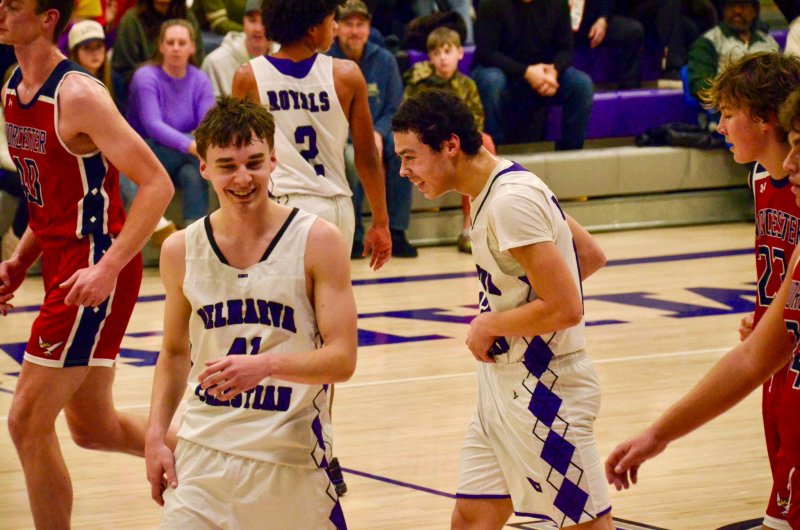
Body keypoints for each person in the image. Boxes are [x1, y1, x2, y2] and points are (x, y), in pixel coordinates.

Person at [392, 89, 610, 529]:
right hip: (504, 385)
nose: (403, 171)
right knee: (472, 519)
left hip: (545, 391)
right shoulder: (502, 184)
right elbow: (586, 254)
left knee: (586, 526)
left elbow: (566, 308)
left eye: (410, 156)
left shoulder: (510, 201)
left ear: (450, 145)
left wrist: (493, 322)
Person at [607, 52, 800, 530]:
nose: (718, 128)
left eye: (728, 114)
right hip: (779, 363)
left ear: (766, 118)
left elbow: (754, 357)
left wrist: (659, 433)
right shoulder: (762, 179)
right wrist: (773, 314)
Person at [0, 0, 175, 527]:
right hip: (62, 265)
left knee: (26, 422)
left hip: (93, 268)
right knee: (92, 427)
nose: (1, 12)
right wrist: (17, 260)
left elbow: (157, 184)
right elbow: (48, 199)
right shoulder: (13, 88)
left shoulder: (77, 94)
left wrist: (108, 269)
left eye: (14, 5)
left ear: (49, 17)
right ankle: (215, 462)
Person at [145, 95, 354, 530]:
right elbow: (172, 354)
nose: (243, 178)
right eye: (227, 166)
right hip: (202, 456)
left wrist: (266, 366)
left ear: (274, 159)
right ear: (203, 167)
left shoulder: (319, 240)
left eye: (254, 162)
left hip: (290, 455)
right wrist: (154, 436)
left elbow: (343, 359)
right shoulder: (180, 249)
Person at [232, 0, 391, 269]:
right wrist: (380, 222)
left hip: (282, 207)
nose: (336, 26)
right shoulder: (347, 75)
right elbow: (368, 156)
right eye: (333, 19)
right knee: (333, 304)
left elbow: (238, 154)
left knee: (288, 308)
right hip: (337, 206)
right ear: (313, 28)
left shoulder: (248, 77)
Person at [328, 0, 416, 258]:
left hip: (382, 132)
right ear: (336, 28)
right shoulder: (325, 61)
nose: (355, 31)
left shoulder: (385, 60)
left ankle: (397, 231)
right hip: (341, 136)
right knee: (348, 158)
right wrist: (359, 138)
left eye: (360, 24)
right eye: (348, 24)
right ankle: (354, 234)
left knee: (403, 150)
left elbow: (395, 108)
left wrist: (376, 133)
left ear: (368, 28)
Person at [403, 26, 494, 254]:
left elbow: (476, 123)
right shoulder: (420, 83)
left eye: (447, 51)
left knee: (486, 144)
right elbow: (409, 121)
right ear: (430, 58)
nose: (443, 58)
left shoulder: (467, 85)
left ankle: (469, 226)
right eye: (436, 53)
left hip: (459, 143)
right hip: (428, 142)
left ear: (460, 53)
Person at [127, 19, 216, 227]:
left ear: (192, 47)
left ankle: (194, 233)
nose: (176, 48)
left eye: (182, 43)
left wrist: (200, 145)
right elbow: (153, 125)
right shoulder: (146, 77)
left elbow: (207, 126)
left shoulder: (200, 79)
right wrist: (193, 145)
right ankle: (159, 228)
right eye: (170, 42)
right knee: (197, 159)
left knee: (193, 173)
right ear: (161, 46)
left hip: (182, 156)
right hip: (145, 151)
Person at [471, 0, 594, 149]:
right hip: (503, 72)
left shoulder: (558, 4)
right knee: (491, 81)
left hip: (544, 74)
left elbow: (566, 49)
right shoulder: (492, 4)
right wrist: (525, 72)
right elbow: (487, 53)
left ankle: (571, 154)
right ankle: (494, 155)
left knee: (581, 84)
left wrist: (554, 71)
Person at [687, 0, 778, 103]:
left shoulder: (769, 42)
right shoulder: (708, 42)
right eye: (732, 5)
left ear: (754, 11)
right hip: (727, 107)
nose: (737, 10)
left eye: (743, 5)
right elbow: (701, 86)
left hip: (768, 105)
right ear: (724, 10)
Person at [111, 0, 204, 86]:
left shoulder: (188, 17)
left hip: (184, 89)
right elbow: (124, 73)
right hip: (143, 91)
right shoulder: (131, 21)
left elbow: (197, 63)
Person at [201, 0, 274, 98]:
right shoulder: (214, 63)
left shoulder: (286, 60)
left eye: (264, 22)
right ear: (243, 22)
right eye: (252, 20)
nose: (258, 29)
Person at [571, 0, 645, 89]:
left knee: (634, 31)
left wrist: (603, 19)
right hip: (562, 24)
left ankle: (630, 92)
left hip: (591, 21)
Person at [67, 20, 127, 112]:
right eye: (87, 48)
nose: (95, 53)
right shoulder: (67, 85)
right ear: (75, 53)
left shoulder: (114, 79)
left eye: (99, 46)